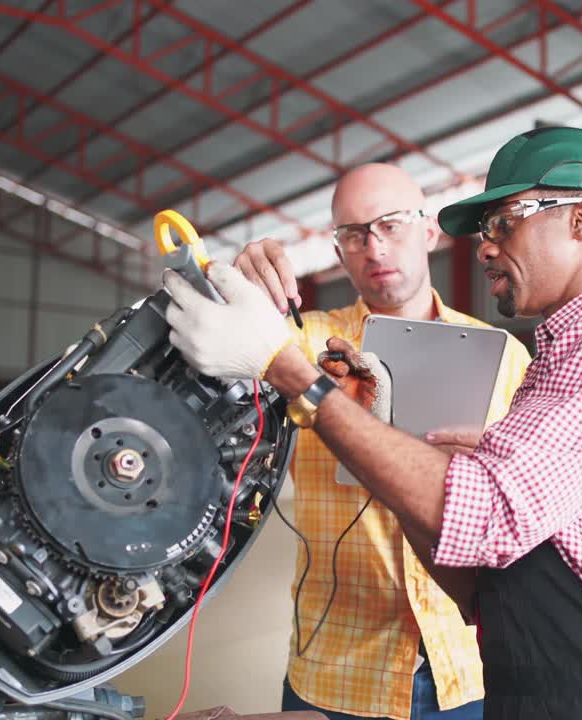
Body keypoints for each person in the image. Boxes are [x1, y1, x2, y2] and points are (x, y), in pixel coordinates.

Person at [164, 126, 582, 719]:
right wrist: (244, 289)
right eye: (352, 234)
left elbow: (487, 516)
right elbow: (482, 572)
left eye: (504, 223)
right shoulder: (559, 352)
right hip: (432, 667)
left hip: (564, 687)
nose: (485, 248)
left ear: (580, 221)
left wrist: (302, 381)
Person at [222, 162, 532, 720]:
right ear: (339, 253)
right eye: (353, 234)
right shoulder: (299, 340)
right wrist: (238, 292)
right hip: (338, 671)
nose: (374, 246)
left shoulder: (504, 355)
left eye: (390, 225)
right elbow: (219, 370)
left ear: (429, 231)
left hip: (467, 668)